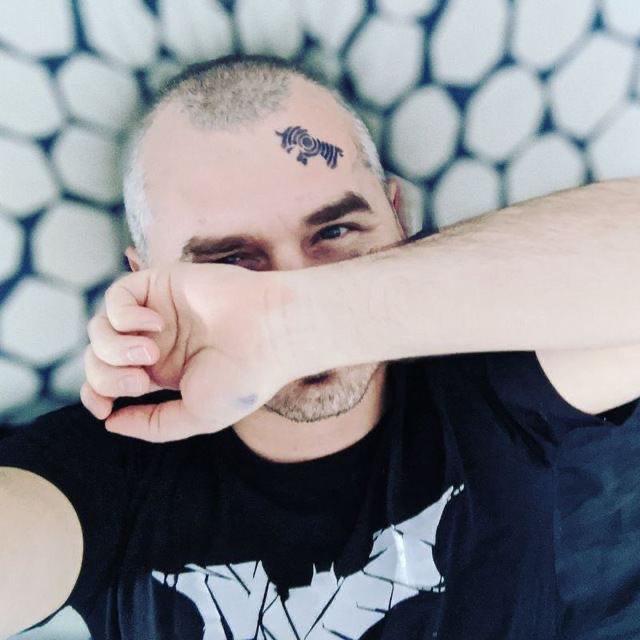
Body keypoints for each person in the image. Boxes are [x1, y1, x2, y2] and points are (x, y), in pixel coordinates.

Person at [1, 54, 639, 640]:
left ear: (397, 215)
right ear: (143, 277)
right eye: (229, 262)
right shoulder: (106, 464)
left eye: (335, 231)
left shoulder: (486, 382)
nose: (291, 281)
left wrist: (292, 323)